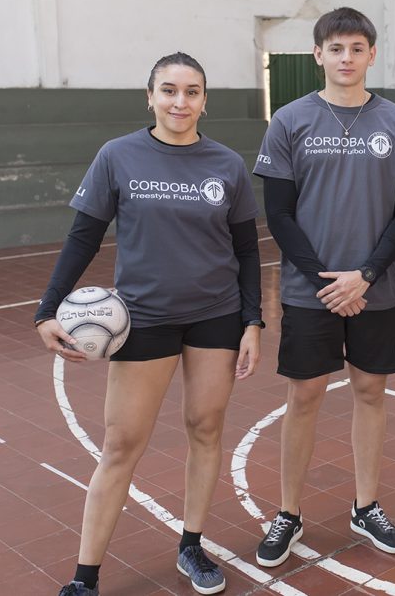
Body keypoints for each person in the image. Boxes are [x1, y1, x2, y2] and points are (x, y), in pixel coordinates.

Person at [35, 52, 263, 596]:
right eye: (169, 90)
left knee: (206, 429)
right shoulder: (118, 156)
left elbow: (248, 252)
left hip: (216, 316)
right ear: (150, 96)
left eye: (191, 91)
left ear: (206, 99)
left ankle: (191, 545)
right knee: (122, 445)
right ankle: (84, 579)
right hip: (144, 320)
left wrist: (252, 321)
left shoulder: (227, 164)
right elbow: (83, 236)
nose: (179, 102)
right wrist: (47, 308)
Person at [252, 7, 395, 567]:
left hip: (376, 288)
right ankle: (289, 512)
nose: (346, 58)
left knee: (370, 393)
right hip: (311, 290)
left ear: (372, 55)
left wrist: (365, 274)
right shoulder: (290, 120)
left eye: (357, 48)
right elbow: (278, 214)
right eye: (335, 48)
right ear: (318, 55)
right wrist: (326, 280)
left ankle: (366, 504)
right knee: (303, 397)